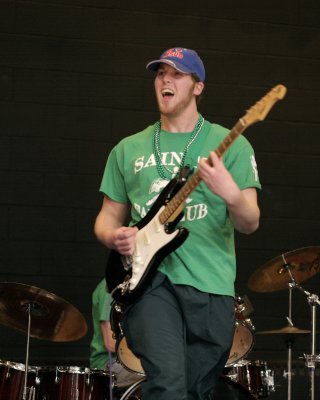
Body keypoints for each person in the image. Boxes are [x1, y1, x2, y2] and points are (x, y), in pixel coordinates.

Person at [94, 47, 261, 400]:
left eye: (177, 74)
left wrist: (231, 194)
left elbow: (250, 222)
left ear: (197, 87)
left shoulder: (232, 144)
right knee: (168, 384)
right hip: (150, 282)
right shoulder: (128, 148)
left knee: (196, 390)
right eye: (160, 73)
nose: (165, 80)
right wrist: (114, 236)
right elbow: (107, 217)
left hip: (212, 285)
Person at [89, 278, 140, 394]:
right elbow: (111, 344)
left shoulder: (133, 285)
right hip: (107, 364)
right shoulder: (109, 288)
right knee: (157, 369)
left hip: (128, 358)